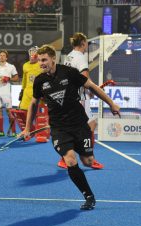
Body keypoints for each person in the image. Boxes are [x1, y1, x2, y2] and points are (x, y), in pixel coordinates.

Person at [20, 45, 120, 210]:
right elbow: (34, 103)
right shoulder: (39, 81)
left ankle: (84, 156)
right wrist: (27, 128)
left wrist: (112, 103)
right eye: (39, 61)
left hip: (80, 125)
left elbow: (93, 87)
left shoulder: (69, 72)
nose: (41, 63)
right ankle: (88, 195)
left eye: (44, 60)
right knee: (70, 160)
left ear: (53, 59)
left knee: (87, 161)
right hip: (59, 129)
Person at [60, 32, 104, 170]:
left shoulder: (69, 56)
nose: (87, 47)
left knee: (80, 127)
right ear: (83, 43)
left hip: (68, 96)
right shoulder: (81, 57)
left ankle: (64, 158)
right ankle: (90, 158)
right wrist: (92, 90)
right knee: (90, 126)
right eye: (86, 44)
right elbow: (84, 79)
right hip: (79, 98)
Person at [15, 46, 50, 142]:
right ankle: (27, 132)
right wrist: (22, 91)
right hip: (27, 93)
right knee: (22, 113)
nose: (32, 57)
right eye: (30, 55)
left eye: (34, 55)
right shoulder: (25, 65)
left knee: (40, 115)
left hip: (39, 93)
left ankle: (42, 135)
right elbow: (25, 80)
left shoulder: (41, 64)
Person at [0, 50, 19, 137]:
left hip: (6, 92)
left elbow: (17, 78)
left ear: (6, 57)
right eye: (0, 55)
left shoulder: (11, 67)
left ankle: (14, 132)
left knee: (9, 112)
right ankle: (1, 131)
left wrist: (8, 78)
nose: (1, 57)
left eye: (3, 55)